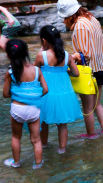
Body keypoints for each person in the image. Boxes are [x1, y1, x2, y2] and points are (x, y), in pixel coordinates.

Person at [57, 0, 103, 138]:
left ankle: (91, 134)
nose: (64, 21)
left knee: (87, 108)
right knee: (97, 104)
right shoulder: (92, 18)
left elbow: (84, 54)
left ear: (70, 15)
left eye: (64, 18)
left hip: (89, 71)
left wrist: (68, 57)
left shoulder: (80, 26)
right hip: (101, 67)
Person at [34, 26, 82, 154]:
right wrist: (62, 71)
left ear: (44, 40)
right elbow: (76, 73)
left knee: (43, 121)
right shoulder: (66, 55)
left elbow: (33, 73)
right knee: (62, 123)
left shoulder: (41, 56)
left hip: (45, 94)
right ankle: (62, 149)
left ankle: (44, 145)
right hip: (63, 93)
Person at [2, 39, 47, 169]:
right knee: (36, 140)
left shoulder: (10, 73)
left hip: (17, 108)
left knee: (16, 137)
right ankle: (38, 164)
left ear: (8, 55)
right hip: (34, 109)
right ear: (26, 52)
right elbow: (45, 90)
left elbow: (5, 94)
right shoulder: (37, 70)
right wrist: (33, 97)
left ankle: (16, 163)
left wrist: (18, 95)